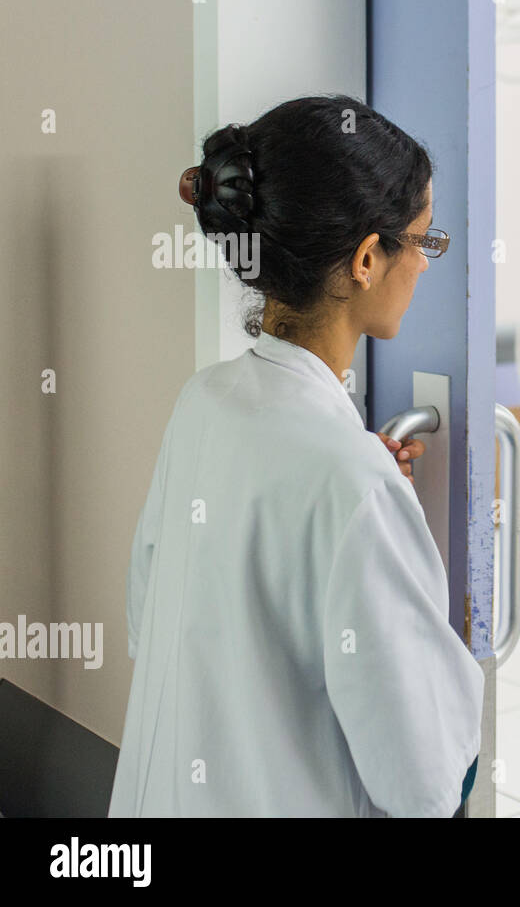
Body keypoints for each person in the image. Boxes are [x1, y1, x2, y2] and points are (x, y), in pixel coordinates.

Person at [109, 96, 483, 816]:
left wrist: (340, 486)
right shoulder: (352, 480)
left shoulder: (204, 401)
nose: (426, 264)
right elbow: (425, 774)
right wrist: (354, 488)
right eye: (423, 241)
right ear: (368, 260)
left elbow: (149, 612)